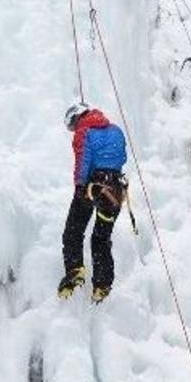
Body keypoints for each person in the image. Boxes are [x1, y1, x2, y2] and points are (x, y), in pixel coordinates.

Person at [58, 102, 128, 303]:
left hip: (92, 188)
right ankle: (102, 284)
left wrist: (80, 185)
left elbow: (83, 160)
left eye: (72, 125)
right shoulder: (116, 130)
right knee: (101, 238)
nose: (73, 130)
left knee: (73, 231)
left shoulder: (84, 131)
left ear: (76, 118)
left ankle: (75, 270)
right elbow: (122, 157)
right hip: (115, 191)